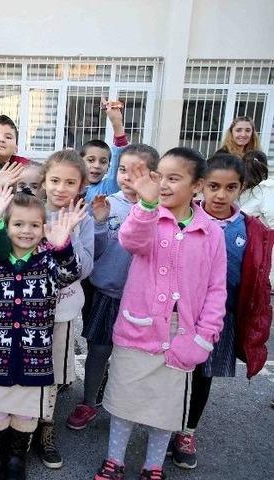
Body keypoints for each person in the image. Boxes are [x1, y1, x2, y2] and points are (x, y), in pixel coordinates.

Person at [93, 147, 227, 480]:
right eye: (159, 176)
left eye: (174, 178)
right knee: (125, 401)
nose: (163, 184)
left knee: (165, 408)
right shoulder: (148, 215)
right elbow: (131, 240)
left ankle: (153, 466)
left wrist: (204, 337)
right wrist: (147, 204)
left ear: (196, 186)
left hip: (182, 331)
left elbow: (216, 289)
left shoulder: (211, 232)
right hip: (138, 327)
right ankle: (114, 460)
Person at [0, 186, 85, 480]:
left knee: (25, 413)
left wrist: (63, 247)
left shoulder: (48, 261)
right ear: (6, 227)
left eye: (34, 225)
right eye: (18, 224)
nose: (26, 231)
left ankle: (17, 457)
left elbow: (70, 274)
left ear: (44, 228)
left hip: (35, 356)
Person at [169, 153, 273, 470]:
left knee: (203, 377)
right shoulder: (181, 218)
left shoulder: (250, 229)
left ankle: (187, 432)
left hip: (220, 319)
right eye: (213, 186)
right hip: (179, 315)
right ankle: (163, 425)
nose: (220, 195)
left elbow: (254, 275)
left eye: (230, 188)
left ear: (241, 188)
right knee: (173, 375)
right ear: (200, 185)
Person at [67, 144, 160, 431]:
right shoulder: (108, 202)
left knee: (135, 357)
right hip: (107, 293)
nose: (127, 177)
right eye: (122, 170)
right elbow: (95, 253)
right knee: (99, 350)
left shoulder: (160, 209)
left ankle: (129, 404)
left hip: (143, 299)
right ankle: (89, 401)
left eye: (136, 172)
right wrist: (99, 222)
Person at [35, 150, 94, 470]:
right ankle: (24, 425)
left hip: (63, 310)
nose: (60, 188)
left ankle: (47, 428)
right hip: (28, 310)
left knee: (53, 373)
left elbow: (85, 269)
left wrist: (68, 234)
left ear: (81, 185)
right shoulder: (31, 210)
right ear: (43, 180)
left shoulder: (81, 219)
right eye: (55, 180)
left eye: (70, 182)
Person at [82, 99, 130, 201]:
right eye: (91, 160)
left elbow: (119, 156)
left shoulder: (108, 188)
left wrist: (116, 124)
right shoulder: (70, 185)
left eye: (103, 162)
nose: (96, 166)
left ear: (108, 167)